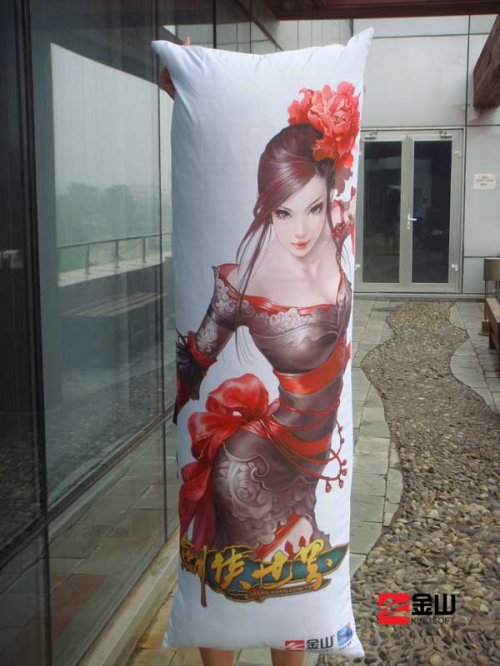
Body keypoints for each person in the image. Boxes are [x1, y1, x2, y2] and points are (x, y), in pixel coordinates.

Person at [160, 45, 358, 666]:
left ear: (330, 196)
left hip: (309, 460)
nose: (301, 229)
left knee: (288, 607)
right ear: (265, 208)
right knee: (247, 593)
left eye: (313, 207)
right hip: (255, 466)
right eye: (282, 212)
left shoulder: (339, 232)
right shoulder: (244, 284)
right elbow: (197, 357)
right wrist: (192, 98)